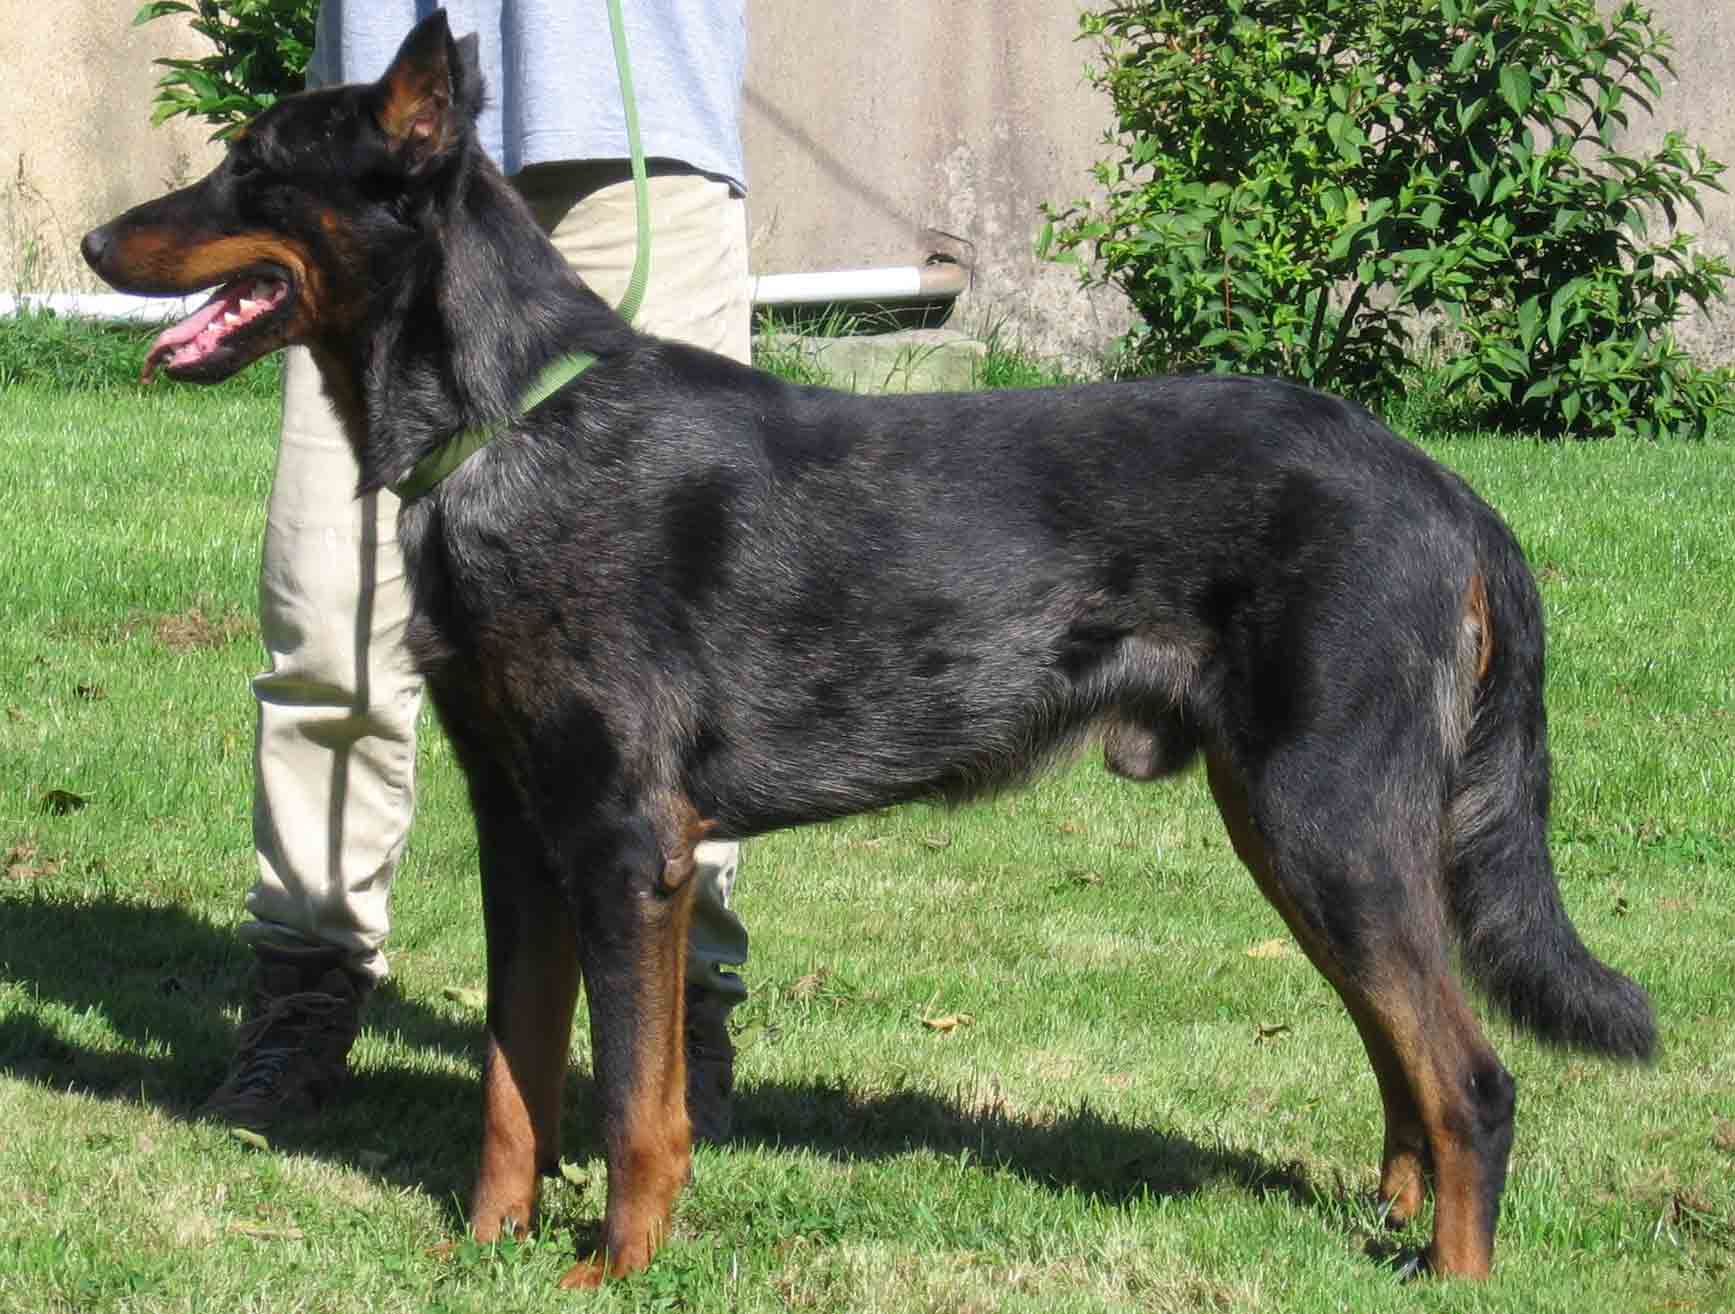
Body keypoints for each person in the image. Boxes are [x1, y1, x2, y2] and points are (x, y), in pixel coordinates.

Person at [199, 0, 752, 1143]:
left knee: (678, 667)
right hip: (366, 180)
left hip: (635, 143)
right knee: (330, 622)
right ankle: (309, 981)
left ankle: (681, 1008)